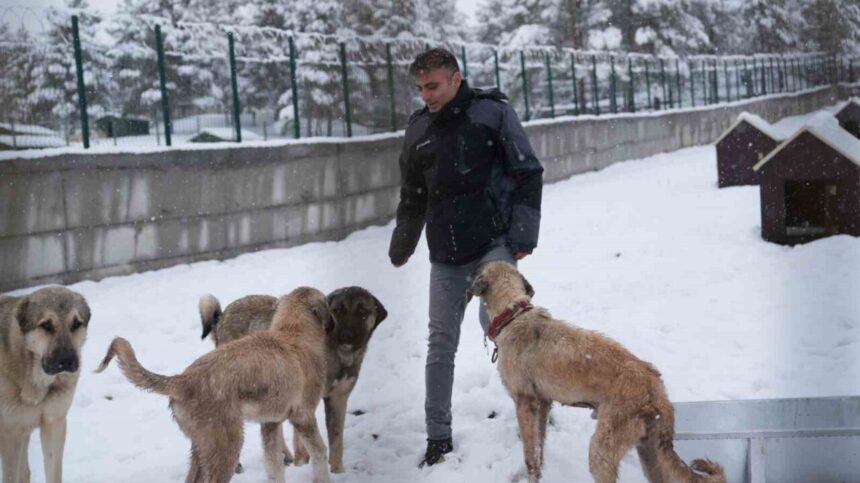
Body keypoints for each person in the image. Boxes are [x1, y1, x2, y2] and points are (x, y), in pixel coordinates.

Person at [388, 48, 543, 467]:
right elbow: (412, 195)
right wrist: (403, 243)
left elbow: (528, 172)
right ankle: (438, 438)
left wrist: (523, 235)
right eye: (420, 88)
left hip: (493, 242)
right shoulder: (418, 129)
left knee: (508, 326)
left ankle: (535, 407)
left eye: (433, 86)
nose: (426, 96)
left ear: (456, 79)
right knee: (440, 342)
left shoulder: (492, 114)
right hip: (445, 252)